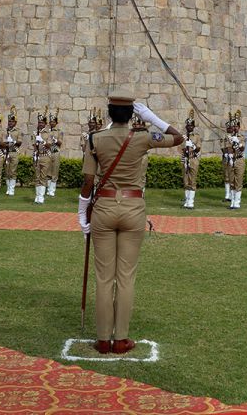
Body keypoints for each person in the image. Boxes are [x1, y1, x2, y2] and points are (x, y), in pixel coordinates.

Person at [78, 92, 183, 355]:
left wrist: (82, 213)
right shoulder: (142, 137)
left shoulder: (95, 139)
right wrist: (151, 117)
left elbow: (88, 182)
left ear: (110, 114)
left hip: (103, 208)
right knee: (125, 278)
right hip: (133, 208)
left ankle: (103, 339)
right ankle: (121, 338)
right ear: (132, 115)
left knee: (104, 278)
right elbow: (178, 137)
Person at [227, 110, 246, 210]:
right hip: (231, 160)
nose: (235, 128)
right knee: (231, 181)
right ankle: (232, 201)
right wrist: (230, 157)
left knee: (238, 180)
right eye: (233, 126)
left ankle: (237, 202)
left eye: (236, 126)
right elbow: (228, 148)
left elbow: (242, 148)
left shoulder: (242, 137)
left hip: (239, 160)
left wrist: (238, 142)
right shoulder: (229, 137)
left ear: (239, 127)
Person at [181, 110, 200, 209]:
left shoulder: (196, 137)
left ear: (193, 127)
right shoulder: (183, 137)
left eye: (191, 125)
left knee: (192, 181)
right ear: (186, 127)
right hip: (185, 159)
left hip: (193, 159)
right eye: (188, 125)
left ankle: (191, 201)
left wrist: (192, 144)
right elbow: (180, 148)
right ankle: (187, 200)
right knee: (185, 180)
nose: (189, 127)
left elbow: (198, 148)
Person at [31, 107, 49, 203]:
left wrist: (42, 140)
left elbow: (50, 145)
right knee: (37, 176)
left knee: (43, 176)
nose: (40, 124)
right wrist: (34, 154)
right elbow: (33, 145)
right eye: (39, 123)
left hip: (45, 156)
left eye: (42, 123)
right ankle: (37, 196)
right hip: (37, 156)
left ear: (45, 124)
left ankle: (41, 196)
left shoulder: (48, 133)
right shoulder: (35, 133)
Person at [4, 106, 22, 196]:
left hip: (14, 152)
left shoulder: (18, 131)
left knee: (13, 171)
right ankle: (8, 188)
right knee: (7, 171)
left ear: (15, 122)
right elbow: (3, 143)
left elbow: (19, 142)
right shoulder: (6, 131)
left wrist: (13, 141)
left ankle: (12, 189)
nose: (10, 123)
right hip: (7, 153)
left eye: (12, 121)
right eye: (9, 121)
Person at [46, 110, 64, 197]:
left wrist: (55, 140)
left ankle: (52, 190)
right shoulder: (46, 131)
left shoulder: (59, 131)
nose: (52, 123)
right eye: (51, 121)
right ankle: (48, 189)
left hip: (55, 152)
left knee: (55, 171)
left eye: (53, 121)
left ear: (56, 122)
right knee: (47, 171)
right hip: (47, 152)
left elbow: (60, 142)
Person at [219, 120, 233, 202]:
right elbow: (222, 145)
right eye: (229, 128)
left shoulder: (235, 136)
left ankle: (232, 195)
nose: (230, 129)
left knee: (232, 176)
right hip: (225, 157)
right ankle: (227, 195)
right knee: (227, 176)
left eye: (231, 128)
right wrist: (225, 153)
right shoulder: (224, 136)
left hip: (233, 158)